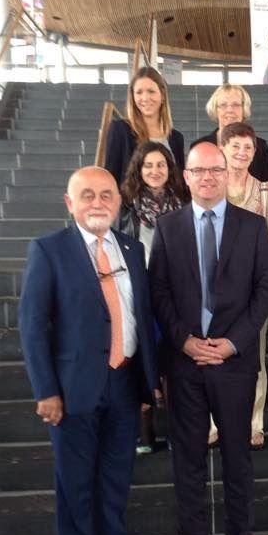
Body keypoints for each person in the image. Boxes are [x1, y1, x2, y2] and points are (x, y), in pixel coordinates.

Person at [18, 166, 159, 535]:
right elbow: (33, 325)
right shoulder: (49, 250)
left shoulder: (132, 249)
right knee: (75, 479)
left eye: (106, 194)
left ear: (118, 201)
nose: (98, 203)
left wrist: (148, 381)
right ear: (70, 202)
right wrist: (45, 390)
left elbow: (142, 316)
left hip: (124, 381)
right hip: (72, 387)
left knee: (116, 475)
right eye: (87, 195)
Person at [149, 141, 268, 535]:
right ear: (186, 176)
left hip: (234, 362)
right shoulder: (168, 228)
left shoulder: (252, 225)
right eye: (199, 170)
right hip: (185, 362)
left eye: (215, 170)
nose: (207, 177)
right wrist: (184, 341)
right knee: (187, 455)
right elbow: (158, 291)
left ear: (226, 174)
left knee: (238, 454)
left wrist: (234, 342)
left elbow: (265, 289)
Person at [211, 121, 268, 449]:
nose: (241, 153)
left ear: (255, 152)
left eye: (248, 147)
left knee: (254, 356)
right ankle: (214, 422)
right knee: (213, 354)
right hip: (213, 290)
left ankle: (254, 423)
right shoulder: (210, 188)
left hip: (254, 289)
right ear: (222, 149)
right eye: (235, 146)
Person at [119, 141, 186, 453]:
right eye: (148, 165)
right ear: (139, 169)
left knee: (173, 362)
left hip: (175, 291)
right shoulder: (127, 206)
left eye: (161, 165)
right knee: (143, 359)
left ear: (170, 169)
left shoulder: (183, 202)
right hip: (139, 291)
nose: (155, 171)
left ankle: (176, 430)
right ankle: (145, 433)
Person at [105, 66, 185, 188]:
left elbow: (180, 184)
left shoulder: (176, 138)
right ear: (133, 97)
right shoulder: (120, 130)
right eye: (139, 92)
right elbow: (110, 178)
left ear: (163, 95)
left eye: (151, 91)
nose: (145, 98)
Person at [191, 83, 268, 182]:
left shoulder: (260, 146)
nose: (229, 110)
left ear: (244, 108)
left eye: (235, 105)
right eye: (223, 105)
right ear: (215, 109)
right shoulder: (199, 146)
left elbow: (266, 184)